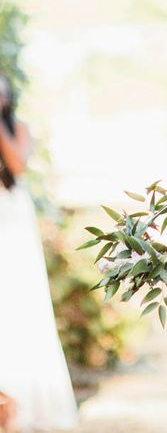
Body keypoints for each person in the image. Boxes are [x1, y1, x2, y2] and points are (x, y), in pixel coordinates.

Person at [0, 73, 78, 431]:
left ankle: (31, 402)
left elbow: (17, 164)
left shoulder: (20, 128)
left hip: (13, 220)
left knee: (22, 303)